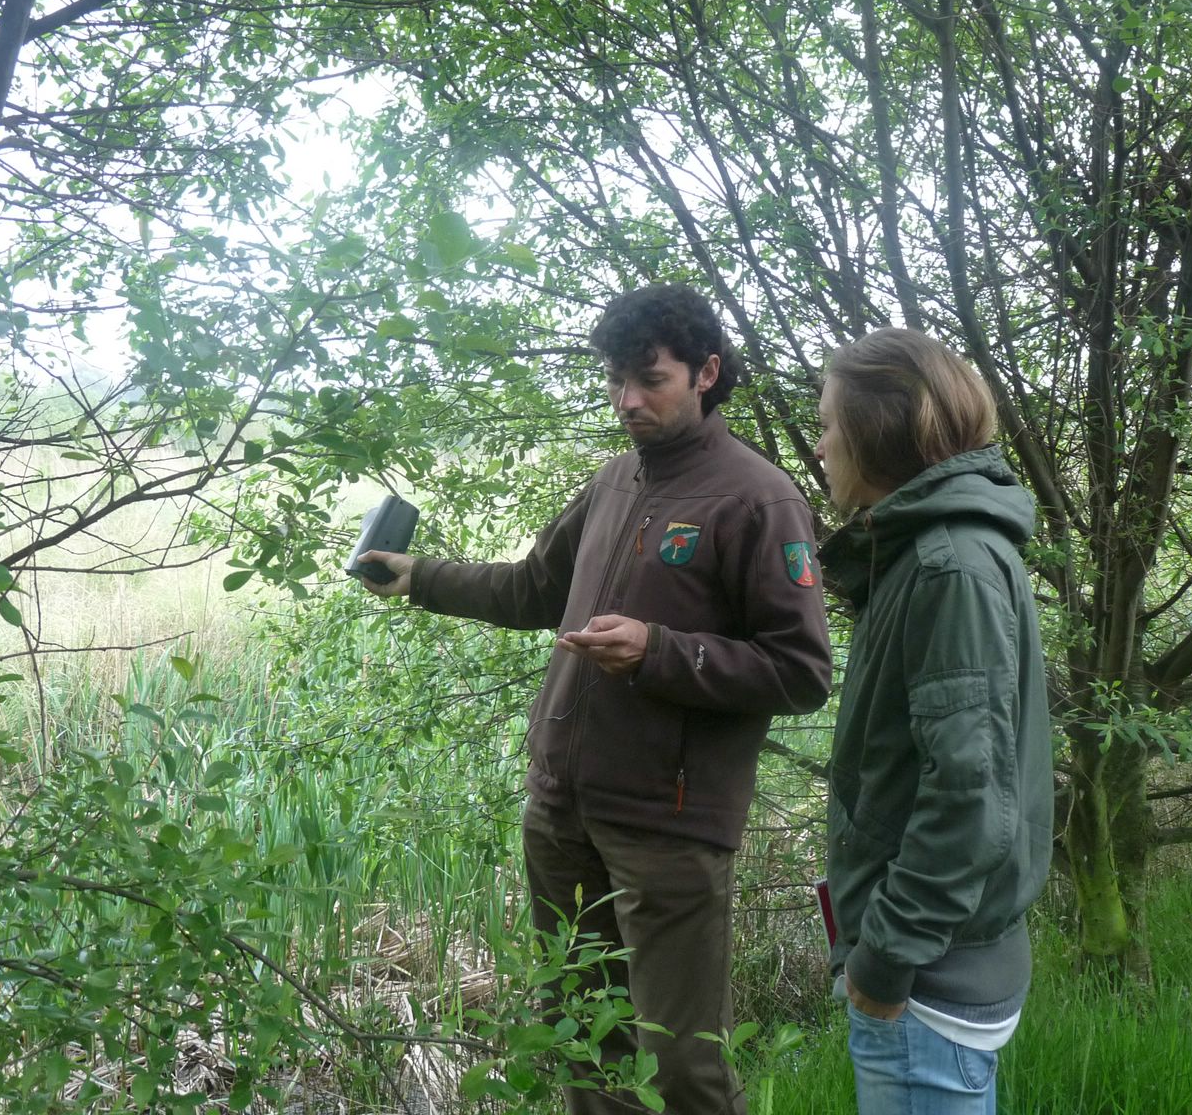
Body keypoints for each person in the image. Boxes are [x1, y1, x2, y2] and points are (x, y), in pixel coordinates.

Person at [360, 283, 834, 1114]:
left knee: (684, 1070)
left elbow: (799, 670)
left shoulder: (759, 499)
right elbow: (534, 590)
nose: (627, 401)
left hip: (669, 827)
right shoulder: (614, 482)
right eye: (616, 380)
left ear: (707, 373)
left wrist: (660, 652)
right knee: (582, 1040)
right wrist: (421, 578)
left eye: (650, 380)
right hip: (562, 812)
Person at [814, 327, 1054, 1114]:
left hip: (926, 986)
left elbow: (970, 800)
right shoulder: (924, 556)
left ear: (875, 432)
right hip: (935, 971)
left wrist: (883, 962)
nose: (820, 447)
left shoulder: (948, 568)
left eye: (828, 425)